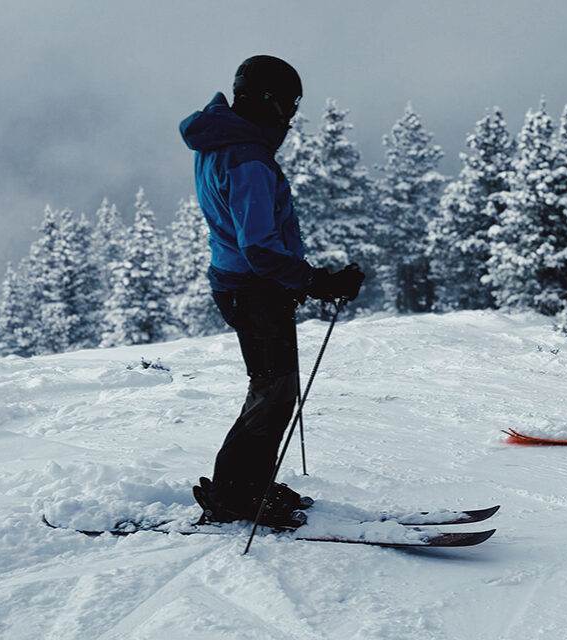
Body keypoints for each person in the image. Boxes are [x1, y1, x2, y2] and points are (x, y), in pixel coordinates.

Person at [179, 55, 364, 528]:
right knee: (275, 392)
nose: (290, 118)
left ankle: (247, 484)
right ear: (271, 102)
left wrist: (299, 280)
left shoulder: (220, 142)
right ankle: (237, 494)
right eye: (289, 106)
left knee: (271, 387)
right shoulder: (248, 157)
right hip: (253, 287)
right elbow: (259, 247)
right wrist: (317, 281)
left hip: (240, 283)